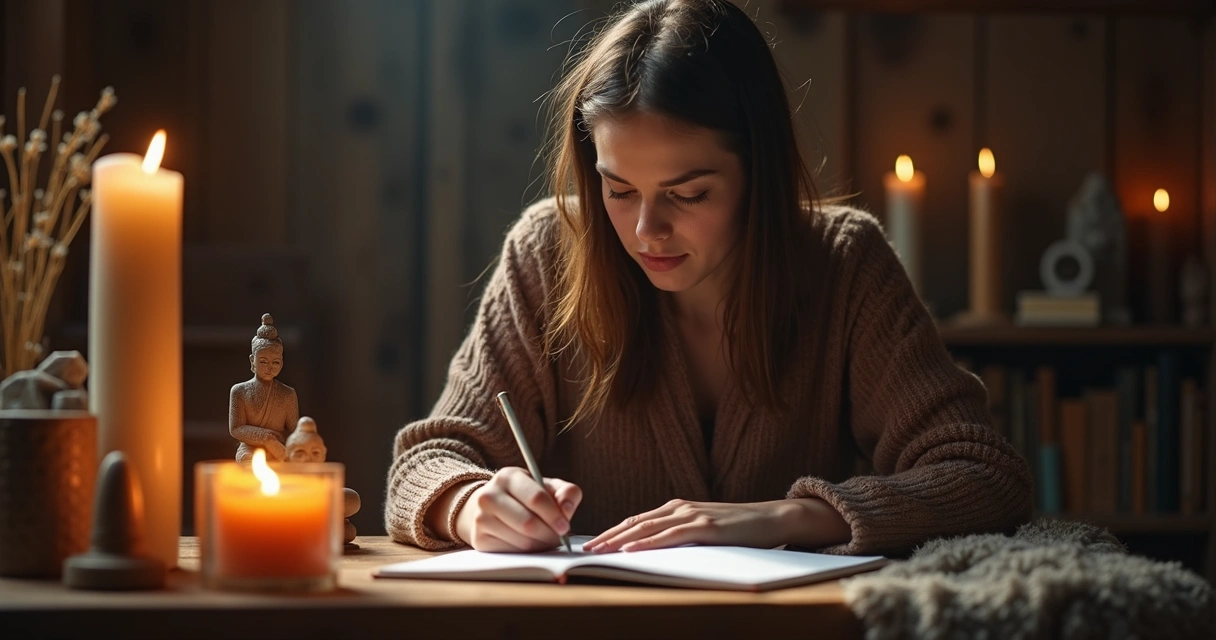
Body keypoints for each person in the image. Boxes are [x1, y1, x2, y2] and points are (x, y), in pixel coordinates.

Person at [385, 0, 1032, 555]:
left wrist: (784, 516)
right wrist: (471, 506)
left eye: (688, 194)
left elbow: (984, 474)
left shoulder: (843, 264)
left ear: (759, 172)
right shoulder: (549, 250)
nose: (645, 231)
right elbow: (425, 463)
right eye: (618, 190)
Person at [229, 314, 299, 462]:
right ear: (252, 360)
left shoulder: (288, 394)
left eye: (275, 362)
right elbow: (236, 428)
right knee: (247, 461)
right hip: (250, 448)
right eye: (263, 361)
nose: (269, 368)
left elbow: (295, 433)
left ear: (282, 362)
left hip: (278, 447)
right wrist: (265, 438)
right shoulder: (239, 391)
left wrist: (278, 444)